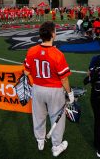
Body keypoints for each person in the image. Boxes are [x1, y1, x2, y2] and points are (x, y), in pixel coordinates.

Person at [23, 21, 74, 157]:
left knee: (38, 116)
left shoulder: (31, 51)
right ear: (52, 34)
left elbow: (26, 72)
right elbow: (64, 78)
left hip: (38, 88)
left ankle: (40, 140)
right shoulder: (57, 54)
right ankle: (56, 146)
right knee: (57, 118)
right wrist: (70, 93)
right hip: (54, 90)